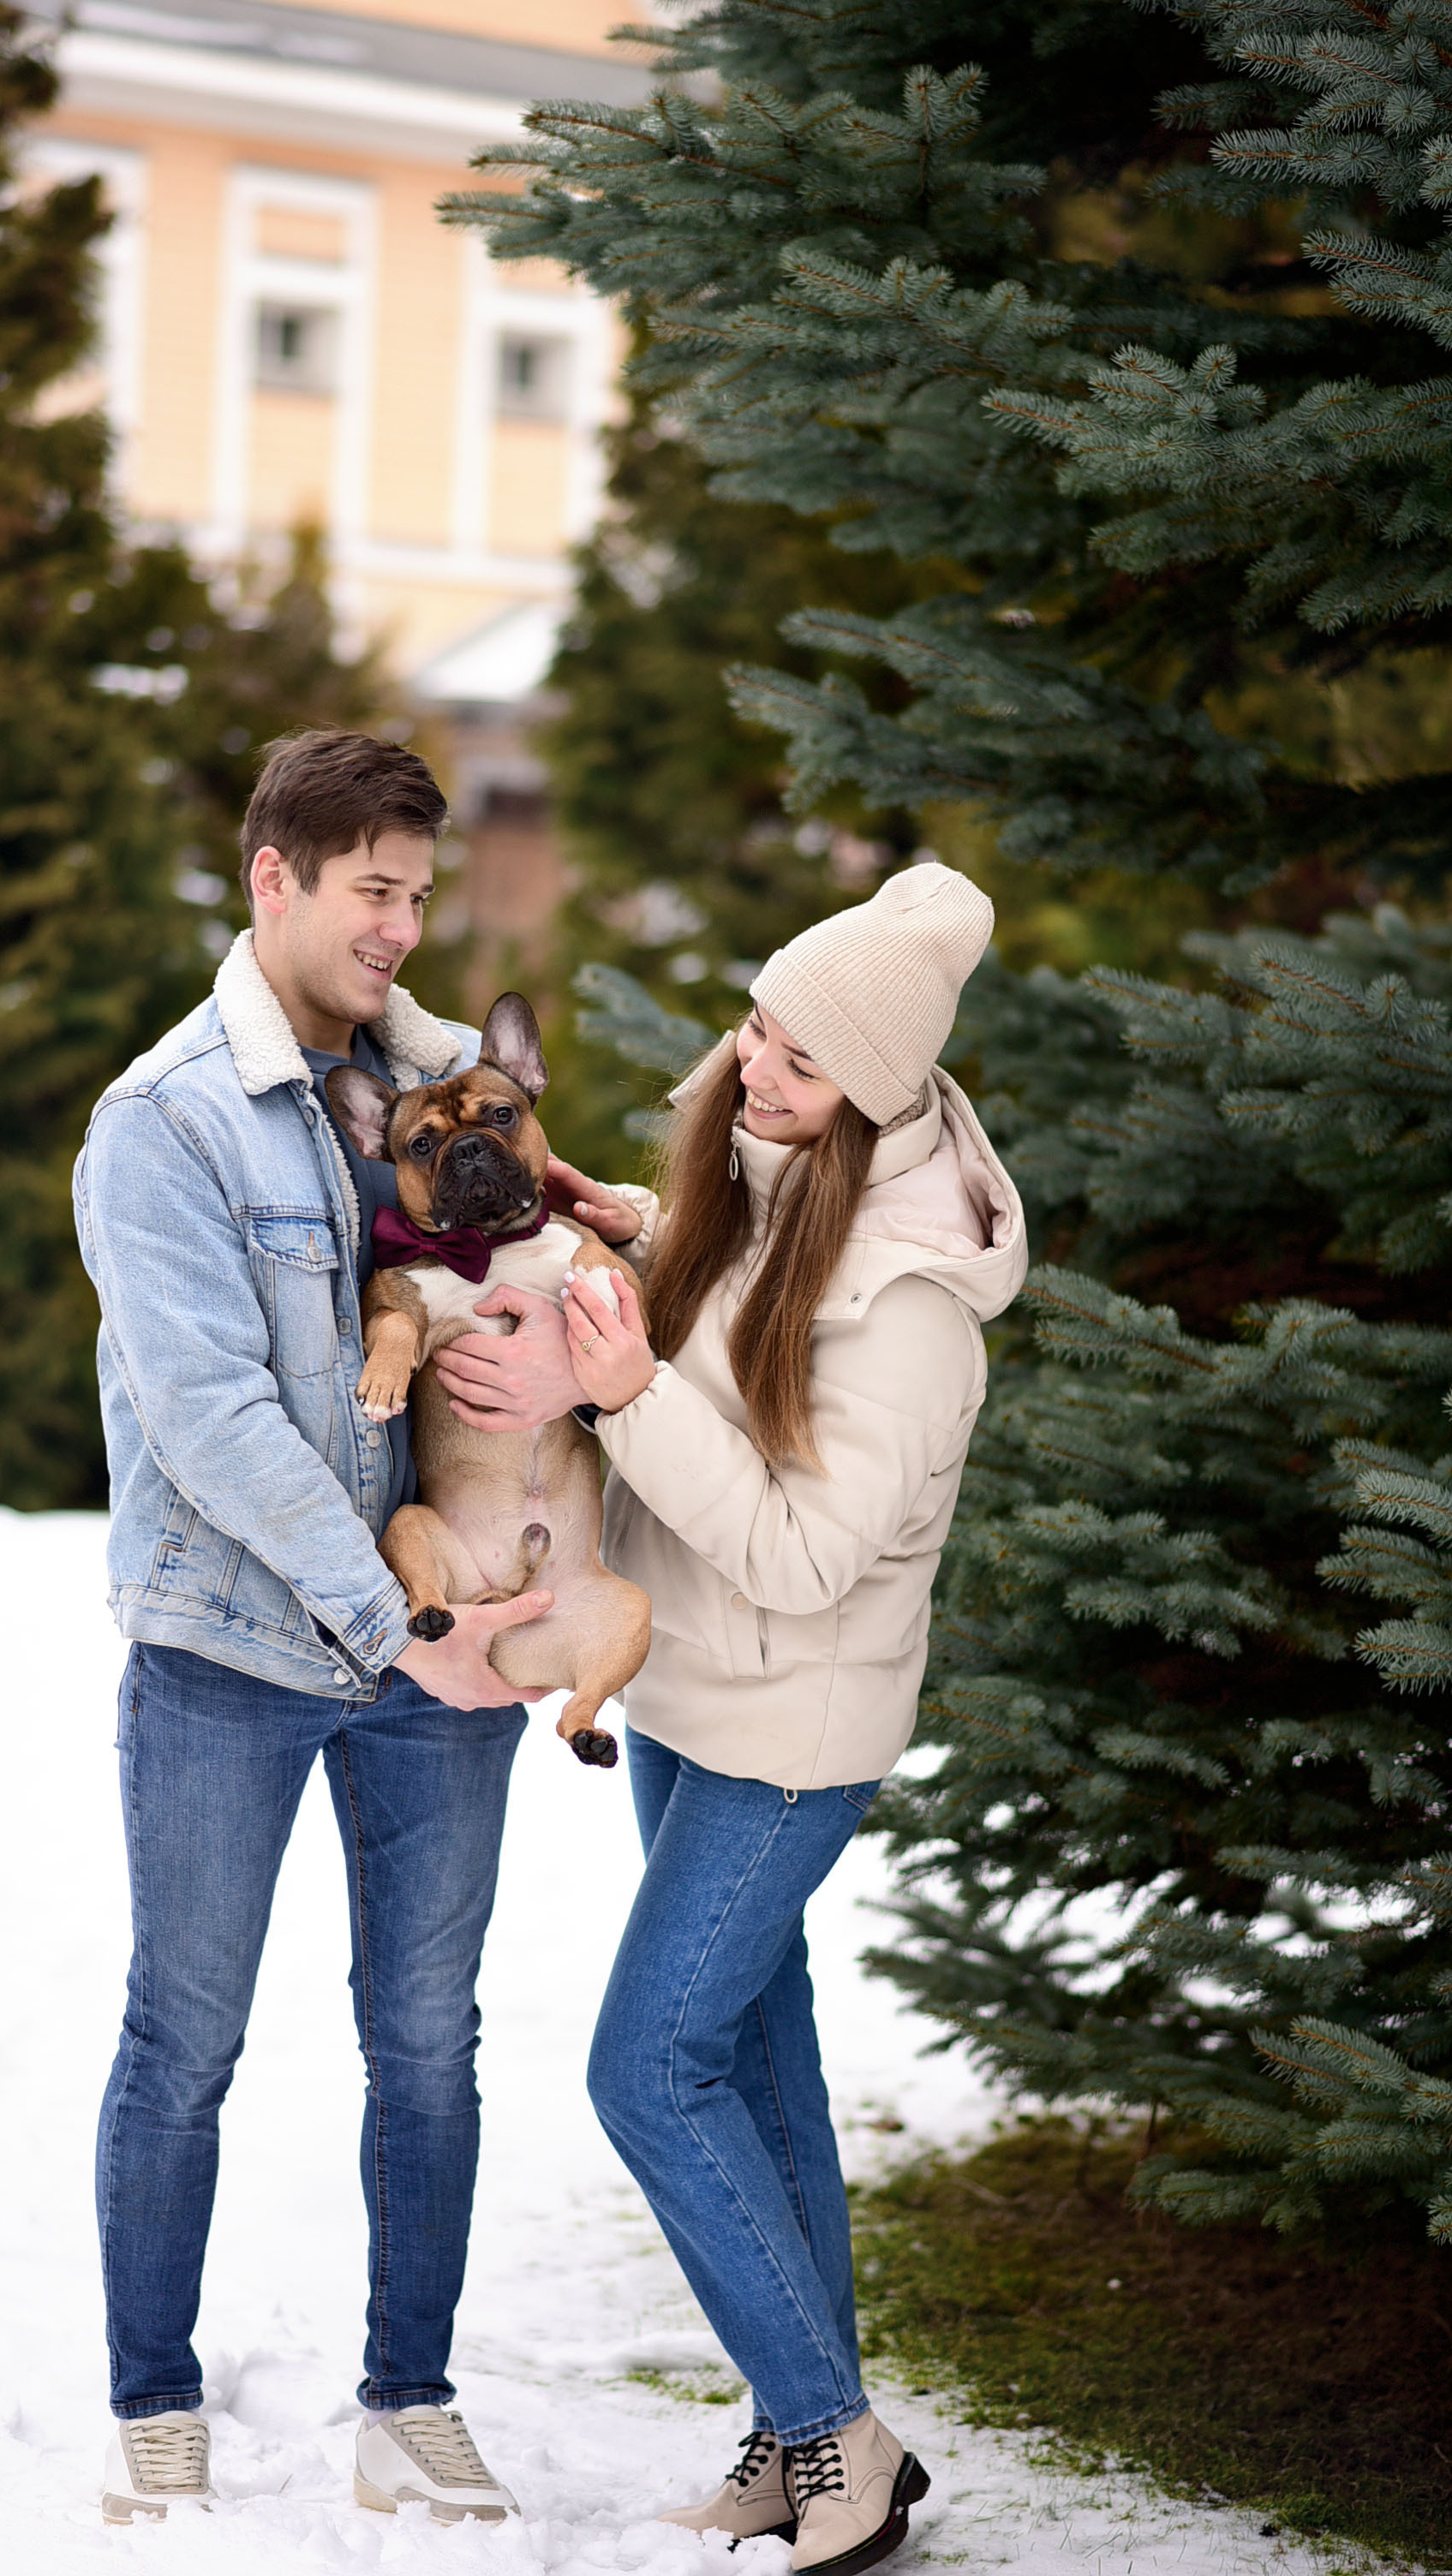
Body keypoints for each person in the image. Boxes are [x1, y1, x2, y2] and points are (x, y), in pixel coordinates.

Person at [434, 862, 1027, 2576]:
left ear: (876, 1095)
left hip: (789, 1739)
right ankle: (793, 2433)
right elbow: (747, 1287)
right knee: (758, 2064)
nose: (751, 1065)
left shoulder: (912, 1309)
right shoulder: (781, 1173)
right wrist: (627, 1224)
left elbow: (801, 1554)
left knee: (646, 2068)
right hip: (691, 1695)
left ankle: (840, 2436)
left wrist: (618, 1394)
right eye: (757, 1026)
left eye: (797, 1057)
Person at [73, 730, 550, 2530]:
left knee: (430, 2041)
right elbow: (210, 1420)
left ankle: (408, 2399)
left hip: (441, 1645)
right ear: (272, 877)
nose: (401, 930)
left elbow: (551, 1258)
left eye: (419, 896)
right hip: (235, 1650)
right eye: (371, 892)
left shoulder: (442, 1080)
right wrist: (393, 1622)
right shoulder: (166, 1122)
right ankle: (152, 2401)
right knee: (184, 2036)